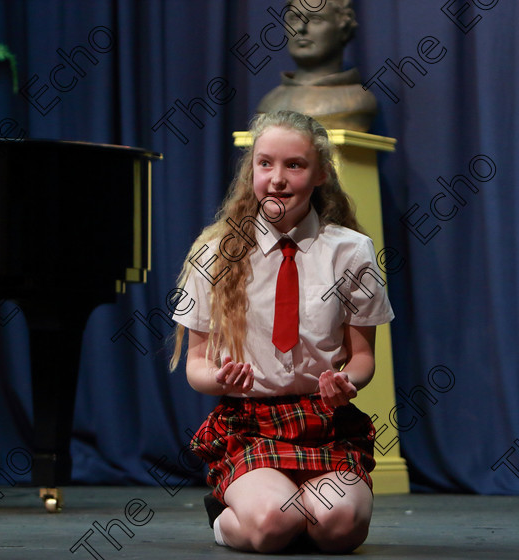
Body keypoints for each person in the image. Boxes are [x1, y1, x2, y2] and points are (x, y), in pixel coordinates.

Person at [169, 110, 394, 553]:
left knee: (339, 526)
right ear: (251, 170)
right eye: (265, 163)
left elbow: (363, 358)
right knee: (275, 524)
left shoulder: (351, 251)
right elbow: (196, 366)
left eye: (294, 165)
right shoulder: (215, 252)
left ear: (321, 174)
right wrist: (219, 379)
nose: (276, 178)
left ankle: (295, 511)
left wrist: (348, 382)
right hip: (250, 425)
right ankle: (235, 517)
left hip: (324, 425)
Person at [255, 0, 378, 132]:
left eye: (316, 19)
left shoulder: (357, 101)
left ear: (344, 29)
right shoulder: (269, 102)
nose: (301, 28)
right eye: (294, 19)